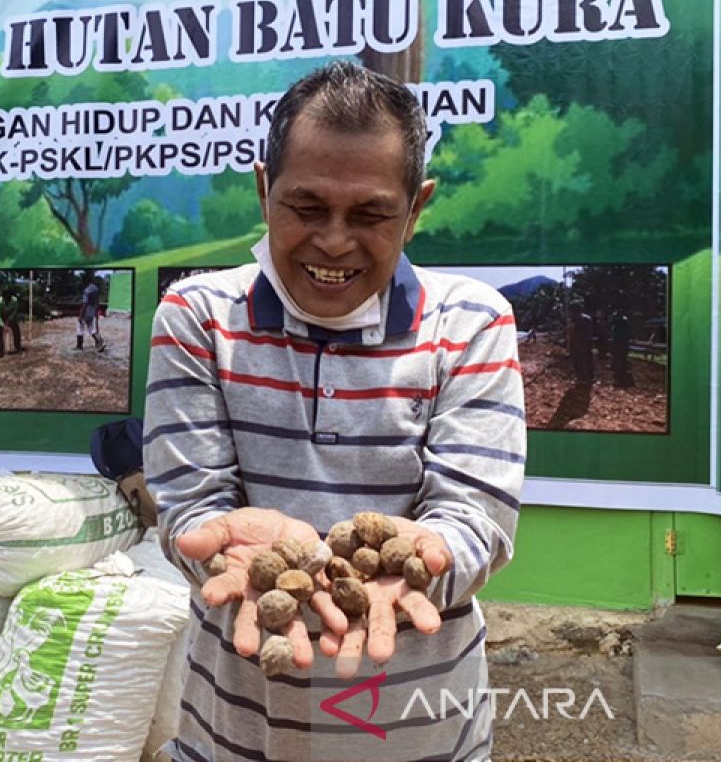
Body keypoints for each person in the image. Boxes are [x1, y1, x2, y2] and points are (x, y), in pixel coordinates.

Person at [144, 62, 525, 762]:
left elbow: (477, 519)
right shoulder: (196, 317)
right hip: (236, 724)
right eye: (306, 207)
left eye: (372, 214)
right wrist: (223, 547)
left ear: (417, 208)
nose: (334, 241)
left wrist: (415, 565)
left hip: (421, 728)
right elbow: (190, 507)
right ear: (264, 190)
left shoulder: (473, 323)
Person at [77, 274, 106, 352]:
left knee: (80, 327)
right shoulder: (96, 289)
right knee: (92, 329)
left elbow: (85, 304)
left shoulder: (87, 290)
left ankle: (79, 346)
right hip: (93, 311)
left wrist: (80, 316)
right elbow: (97, 302)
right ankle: (99, 342)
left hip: (86, 312)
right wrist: (96, 312)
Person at [0, 287, 24, 359]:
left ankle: (18, 346)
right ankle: (0, 352)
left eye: (8, 299)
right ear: (2, 297)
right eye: (5, 299)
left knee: (16, 329)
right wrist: (3, 325)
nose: (7, 301)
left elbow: (15, 311)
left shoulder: (14, 301)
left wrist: (10, 319)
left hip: (9, 315)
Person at [567, 302, 595, 383]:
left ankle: (581, 378)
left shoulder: (575, 319)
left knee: (578, 361)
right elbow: (590, 331)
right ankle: (589, 377)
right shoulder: (588, 318)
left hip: (578, 343)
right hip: (586, 342)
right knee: (587, 360)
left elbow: (572, 331)